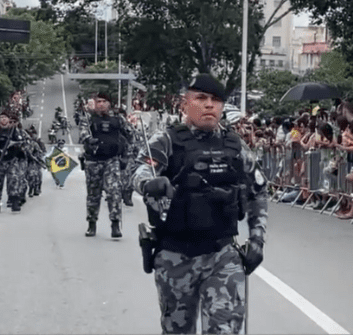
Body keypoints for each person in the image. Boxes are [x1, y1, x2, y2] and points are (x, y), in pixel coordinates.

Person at [133, 73, 268, 334]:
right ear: (185, 104)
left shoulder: (235, 145)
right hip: (176, 256)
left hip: (222, 255)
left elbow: (258, 191)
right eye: (201, 98)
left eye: (216, 100)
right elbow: (141, 170)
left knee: (226, 330)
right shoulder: (168, 140)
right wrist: (150, 183)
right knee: (177, 330)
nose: (209, 105)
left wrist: (258, 239)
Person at [80, 92, 125, 238]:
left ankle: (115, 224)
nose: (100, 104)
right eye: (98, 101)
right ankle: (92, 224)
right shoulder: (88, 119)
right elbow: (83, 133)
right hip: (93, 161)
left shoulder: (117, 119)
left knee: (114, 191)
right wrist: (88, 139)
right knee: (93, 194)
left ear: (109, 104)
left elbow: (130, 134)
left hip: (112, 160)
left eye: (104, 101)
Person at [0, 110, 26, 213]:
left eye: (5, 117)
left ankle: (14, 203)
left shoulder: (14, 131)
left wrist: (12, 145)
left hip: (11, 160)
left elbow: (21, 142)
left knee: (13, 182)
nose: (3, 119)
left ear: (9, 120)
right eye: (1, 117)